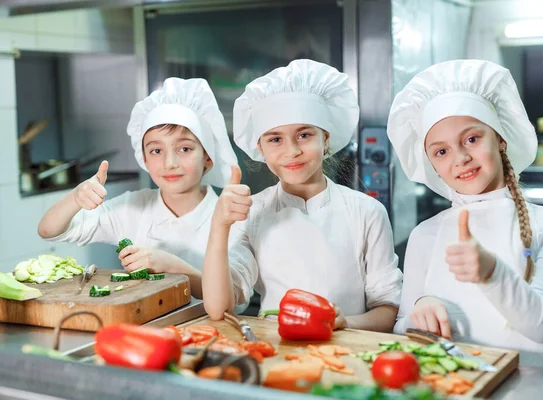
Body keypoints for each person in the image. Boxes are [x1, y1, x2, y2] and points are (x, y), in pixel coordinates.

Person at [388, 59, 543, 367]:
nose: (460, 158)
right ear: (431, 165)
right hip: (454, 386)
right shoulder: (425, 235)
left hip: (532, 387)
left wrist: (491, 271)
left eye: (472, 139)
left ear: (500, 139)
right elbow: (403, 327)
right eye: (441, 151)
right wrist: (420, 310)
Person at [202, 59, 402, 332]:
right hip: (277, 354)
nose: (292, 151)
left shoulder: (366, 212)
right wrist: (220, 225)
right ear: (259, 147)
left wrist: (342, 324)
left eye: (304, 134)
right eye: (275, 139)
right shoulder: (254, 212)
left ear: (326, 138)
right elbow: (218, 307)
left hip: (345, 354)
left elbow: (388, 310)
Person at [37, 77, 238, 299]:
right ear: (144, 159)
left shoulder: (234, 217)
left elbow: (233, 298)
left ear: (208, 157)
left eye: (184, 148)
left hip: (209, 331)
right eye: (156, 151)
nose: (170, 163)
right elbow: (49, 230)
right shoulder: (132, 207)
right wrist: (76, 198)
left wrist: (171, 266)